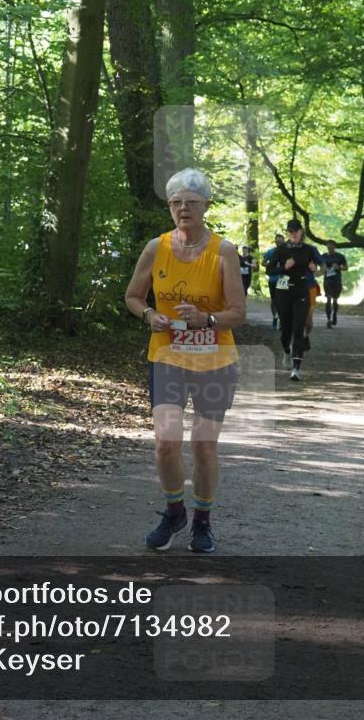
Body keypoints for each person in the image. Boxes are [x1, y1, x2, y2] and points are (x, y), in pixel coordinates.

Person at [124, 168, 246, 553]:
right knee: (165, 442)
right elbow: (133, 296)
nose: (182, 209)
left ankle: (203, 521)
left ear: (206, 206)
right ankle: (174, 511)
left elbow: (238, 313)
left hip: (214, 358)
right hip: (167, 355)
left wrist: (205, 319)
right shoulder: (155, 248)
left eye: (191, 202)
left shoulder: (223, 251)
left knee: (204, 445)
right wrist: (150, 316)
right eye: (176, 202)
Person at [264, 218, 322, 381]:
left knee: (298, 330)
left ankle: (296, 369)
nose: (293, 234)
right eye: (290, 231)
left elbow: (321, 268)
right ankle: (287, 351)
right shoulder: (281, 250)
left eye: (296, 231)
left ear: (301, 232)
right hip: (283, 292)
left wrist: (315, 270)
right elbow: (269, 269)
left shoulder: (310, 249)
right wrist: (284, 267)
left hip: (302, 291)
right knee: (286, 331)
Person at [321, 240, 348, 327]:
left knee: (335, 300)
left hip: (336, 280)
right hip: (327, 280)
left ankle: (334, 314)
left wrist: (339, 267)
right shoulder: (323, 256)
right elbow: (319, 266)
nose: (330, 249)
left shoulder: (340, 256)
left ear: (334, 247)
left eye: (331, 247)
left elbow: (346, 268)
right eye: (328, 247)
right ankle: (328, 320)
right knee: (328, 299)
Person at [261, 234, 285, 330]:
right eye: (277, 241)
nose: (279, 243)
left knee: (283, 300)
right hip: (273, 279)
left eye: (280, 241)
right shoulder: (270, 252)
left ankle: (282, 320)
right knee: (274, 300)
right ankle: (275, 317)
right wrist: (269, 265)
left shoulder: (288, 252)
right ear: (275, 242)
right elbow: (263, 262)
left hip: (283, 279)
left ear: (283, 241)